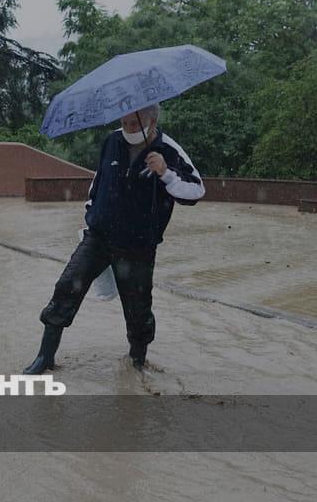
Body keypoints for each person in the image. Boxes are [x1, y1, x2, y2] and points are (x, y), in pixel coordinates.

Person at [22, 103, 205, 374]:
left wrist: (166, 173)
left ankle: (137, 363)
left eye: (135, 124)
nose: (129, 128)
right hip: (98, 237)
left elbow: (196, 191)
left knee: (138, 309)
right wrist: (92, 212)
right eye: (125, 122)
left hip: (138, 246)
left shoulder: (168, 149)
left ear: (152, 122)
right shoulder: (112, 141)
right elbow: (98, 180)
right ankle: (45, 357)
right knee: (66, 287)